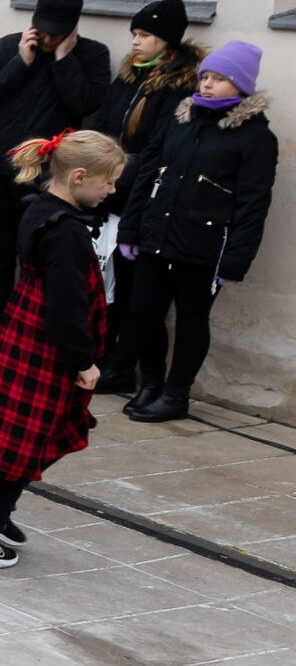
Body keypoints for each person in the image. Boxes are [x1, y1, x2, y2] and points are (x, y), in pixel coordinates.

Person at [0, 130, 126, 569]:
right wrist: (84, 360)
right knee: (28, 442)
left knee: (35, 437)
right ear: (77, 176)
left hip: (25, 333)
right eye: (108, 182)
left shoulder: (38, 208)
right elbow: (66, 306)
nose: (112, 191)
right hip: (47, 349)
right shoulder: (67, 231)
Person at [117, 39, 275, 422]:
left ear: (241, 85)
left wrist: (236, 259)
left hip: (204, 245)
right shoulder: (179, 118)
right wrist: (131, 228)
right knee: (143, 312)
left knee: (191, 320)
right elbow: (147, 174)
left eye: (219, 79)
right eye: (206, 76)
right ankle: (151, 383)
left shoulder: (255, 138)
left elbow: (253, 205)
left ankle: (176, 395)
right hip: (157, 236)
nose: (207, 84)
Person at [0, 0, 111, 355]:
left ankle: (30, 342)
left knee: (42, 262)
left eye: (56, 33)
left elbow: (85, 102)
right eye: (42, 29)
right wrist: (22, 61)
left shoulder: (91, 55)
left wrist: (64, 60)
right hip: (2, 168)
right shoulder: (9, 46)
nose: (47, 38)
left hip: (52, 178)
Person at [91, 0, 201, 396]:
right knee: (110, 286)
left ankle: (125, 365)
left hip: (137, 195)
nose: (136, 42)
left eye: (146, 35)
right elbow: (104, 124)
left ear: (167, 41)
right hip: (108, 189)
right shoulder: (128, 76)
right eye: (134, 34)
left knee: (136, 291)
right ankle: (104, 356)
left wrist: (117, 180)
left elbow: (157, 147)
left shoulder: (178, 85)